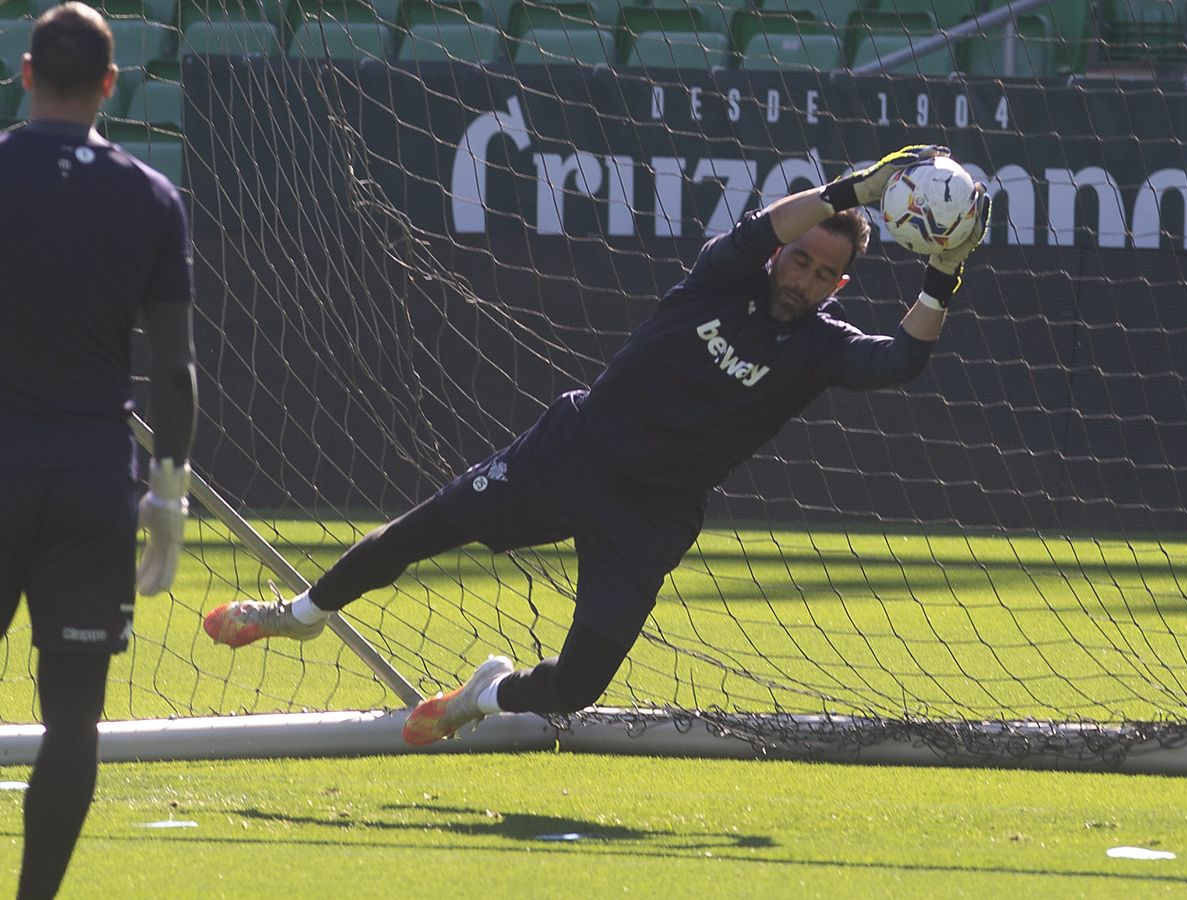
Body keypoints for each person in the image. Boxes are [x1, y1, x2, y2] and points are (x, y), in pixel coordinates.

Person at [204, 145, 988, 746]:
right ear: (780, 253)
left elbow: (899, 360)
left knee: (578, 684)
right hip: (576, 447)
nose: (806, 278)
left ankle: (484, 697)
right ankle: (303, 612)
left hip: (653, 513)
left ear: (839, 286)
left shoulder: (820, 347)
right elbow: (757, 230)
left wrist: (942, 278)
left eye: (825, 274)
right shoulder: (720, 278)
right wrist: (854, 190)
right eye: (801, 260)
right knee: (426, 530)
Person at [0, 4, 197, 897]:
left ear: (25, 72)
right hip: (90, 481)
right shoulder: (153, 198)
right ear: (110, 85)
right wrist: (167, 499)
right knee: (72, 721)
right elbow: (174, 370)